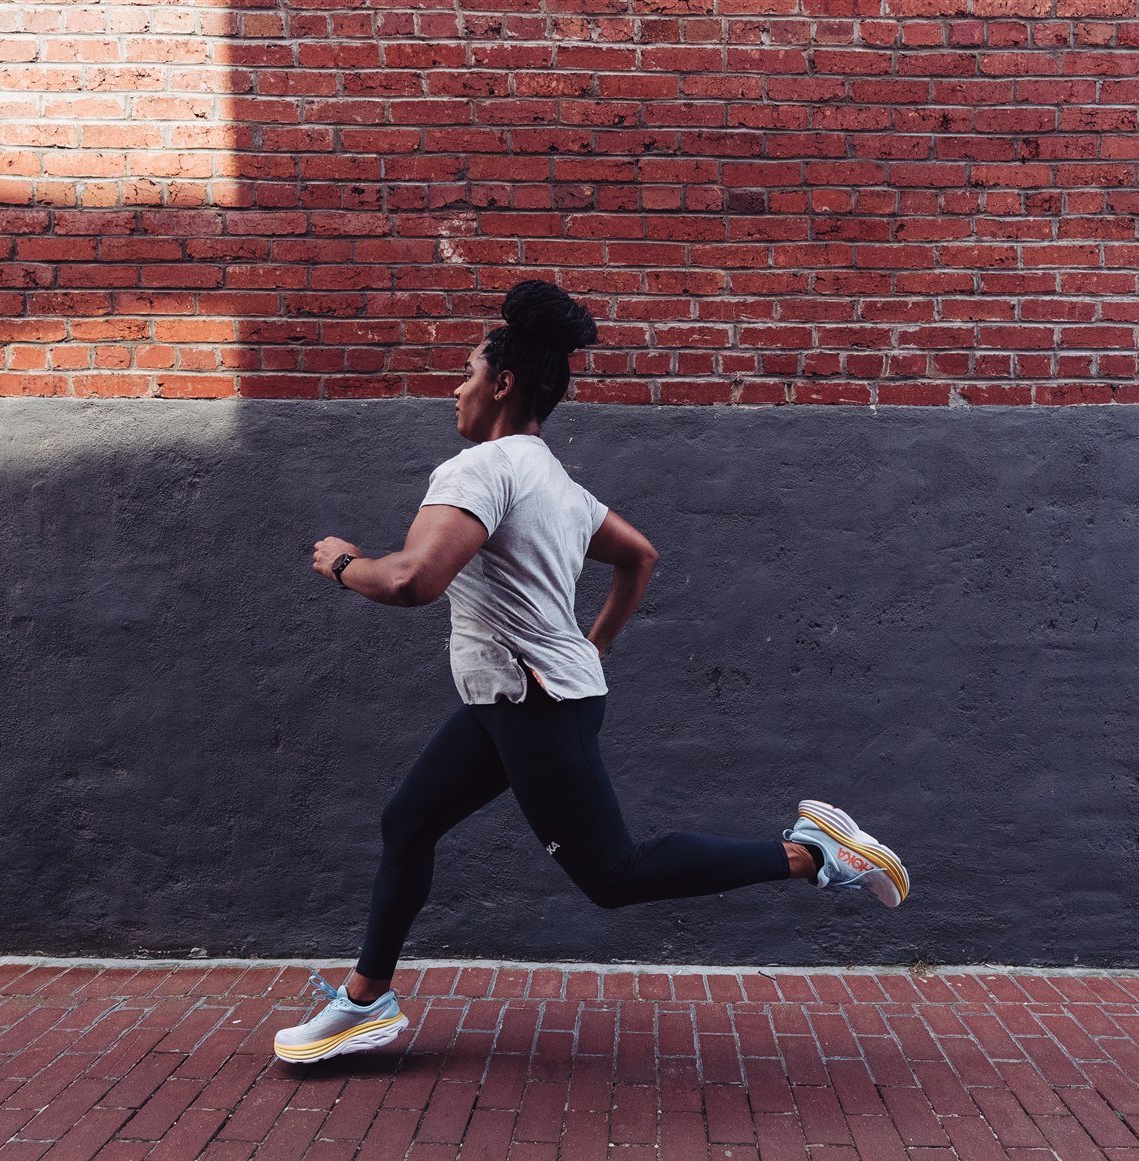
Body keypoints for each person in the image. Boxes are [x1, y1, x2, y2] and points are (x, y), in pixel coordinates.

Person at [273, 281, 909, 1064]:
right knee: (409, 821)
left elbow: (412, 579)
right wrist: (592, 646)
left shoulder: (479, 470)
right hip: (515, 699)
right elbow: (641, 555)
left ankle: (816, 852)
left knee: (614, 875)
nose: (456, 388)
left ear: (503, 383)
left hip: (534, 706)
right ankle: (365, 1001)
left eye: (468, 372)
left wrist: (344, 564)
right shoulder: (555, 482)